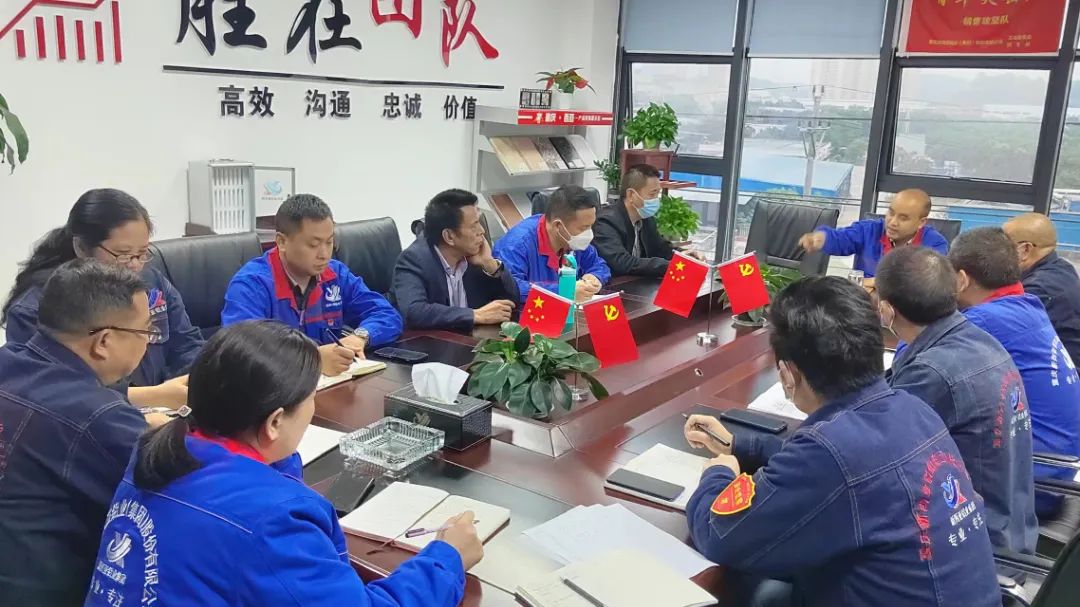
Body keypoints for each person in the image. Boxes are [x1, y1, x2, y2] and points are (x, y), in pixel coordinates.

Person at [86, 320, 483, 606]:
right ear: (275, 421)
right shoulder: (272, 520)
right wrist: (447, 558)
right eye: (310, 398)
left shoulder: (157, 450)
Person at [683, 276, 999, 607]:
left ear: (789, 374)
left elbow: (720, 535)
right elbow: (846, 468)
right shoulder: (912, 408)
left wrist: (717, 473)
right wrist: (742, 447)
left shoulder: (831, 452)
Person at [0, 260, 159, 605]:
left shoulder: (8, 360)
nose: (149, 343)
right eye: (146, 332)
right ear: (103, 342)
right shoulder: (100, 417)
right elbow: (179, 495)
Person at [877, 247, 1037, 555]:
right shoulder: (977, 338)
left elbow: (877, 456)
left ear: (886, 310)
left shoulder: (931, 372)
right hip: (1009, 526)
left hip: (974, 544)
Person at [2, 189, 202, 408]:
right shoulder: (36, 308)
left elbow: (187, 345)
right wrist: (152, 396)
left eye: (142, 253)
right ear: (81, 248)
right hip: (93, 418)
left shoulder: (152, 283)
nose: (135, 265)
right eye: (123, 254)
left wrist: (194, 383)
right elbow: (46, 392)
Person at [950, 227, 1080, 519]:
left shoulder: (985, 320)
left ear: (961, 279)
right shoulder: (1027, 305)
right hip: (1058, 470)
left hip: (1032, 482)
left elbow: (915, 353)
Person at [221, 194, 403, 376]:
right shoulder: (251, 285)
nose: (324, 254)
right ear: (282, 242)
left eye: (329, 242)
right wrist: (311, 359)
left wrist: (360, 336)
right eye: (313, 244)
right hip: (279, 387)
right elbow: (240, 352)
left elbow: (386, 313)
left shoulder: (335, 274)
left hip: (332, 383)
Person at [391, 189, 519, 332]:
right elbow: (414, 312)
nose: (482, 231)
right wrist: (474, 315)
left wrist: (489, 264)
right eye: (474, 225)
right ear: (449, 236)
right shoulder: (414, 260)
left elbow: (513, 301)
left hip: (472, 339)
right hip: (435, 342)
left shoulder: (473, 256)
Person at [493, 185, 611, 303]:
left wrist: (595, 277)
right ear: (558, 226)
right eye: (583, 228)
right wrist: (564, 291)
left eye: (591, 226)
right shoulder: (516, 245)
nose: (589, 233)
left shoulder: (573, 241)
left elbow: (598, 265)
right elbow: (510, 288)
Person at [798, 188, 949, 277]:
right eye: (891, 213)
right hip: (865, 308)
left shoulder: (935, 245)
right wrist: (821, 238)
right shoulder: (869, 230)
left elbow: (920, 282)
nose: (892, 222)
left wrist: (871, 283)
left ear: (921, 222)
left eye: (903, 218)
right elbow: (841, 238)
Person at [593, 164, 704, 277]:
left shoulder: (646, 218)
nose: (656, 200)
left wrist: (684, 256)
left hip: (637, 282)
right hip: (612, 284)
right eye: (652, 194)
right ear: (631, 195)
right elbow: (622, 263)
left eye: (657, 194)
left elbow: (661, 249)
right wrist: (671, 265)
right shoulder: (606, 222)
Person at [1004, 212, 1080, 367]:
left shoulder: (1037, 290)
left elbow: (1004, 331)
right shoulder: (1063, 268)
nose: (998, 254)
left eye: (1003, 247)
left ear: (1025, 249)